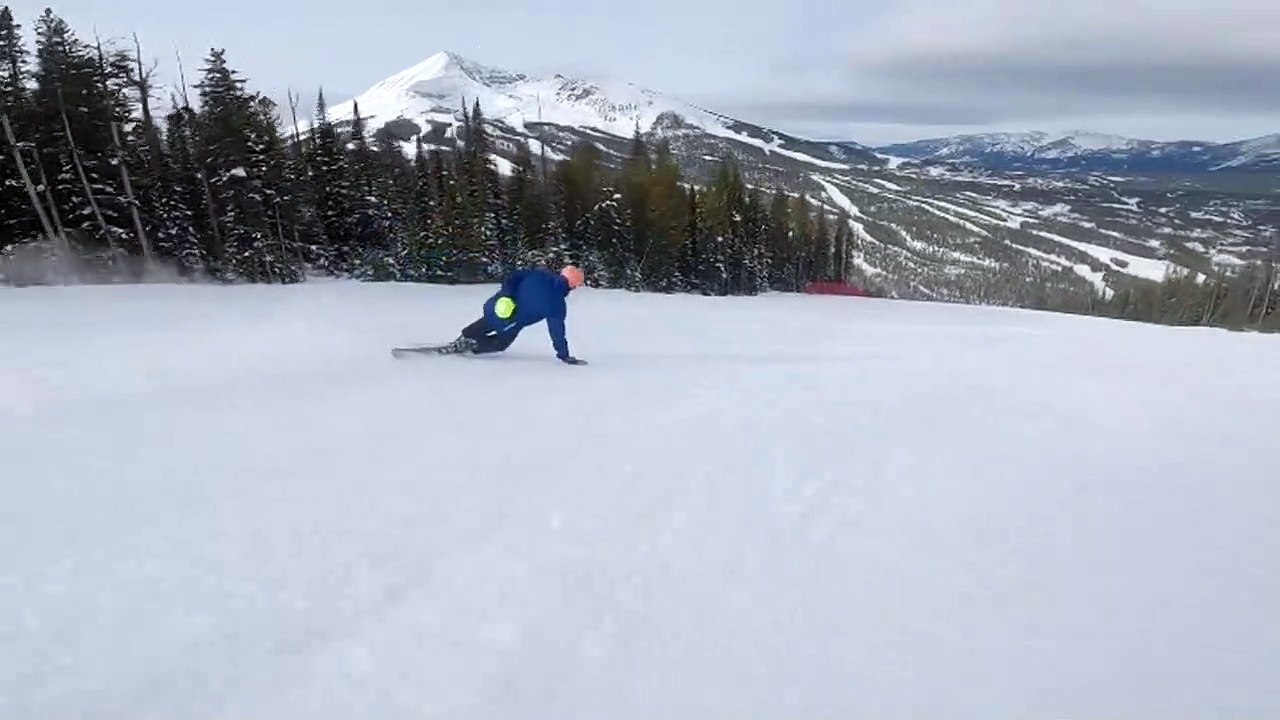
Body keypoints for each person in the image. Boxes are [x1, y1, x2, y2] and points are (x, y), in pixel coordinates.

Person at [442, 264, 588, 364]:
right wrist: (564, 355)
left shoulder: (540, 274)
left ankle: (464, 337)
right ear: (573, 285)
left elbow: (514, 277)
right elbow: (557, 332)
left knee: (487, 321)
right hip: (512, 322)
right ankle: (471, 345)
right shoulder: (557, 305)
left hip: (497, 305)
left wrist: (506, 294)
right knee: (501, 343)